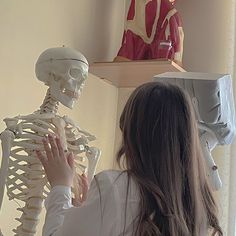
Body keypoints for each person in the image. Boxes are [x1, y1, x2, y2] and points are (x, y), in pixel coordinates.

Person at [36, 82, 223, 236]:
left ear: (133, 134)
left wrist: (60, 187)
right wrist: (90, 211)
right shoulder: (196, 205)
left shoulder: (113, 187)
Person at [115, 0, 184, 65]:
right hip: (139, 22)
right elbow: (121, 61)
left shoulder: (170, 18)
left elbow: (172, 64)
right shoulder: (133, 23)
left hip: (162, 24)